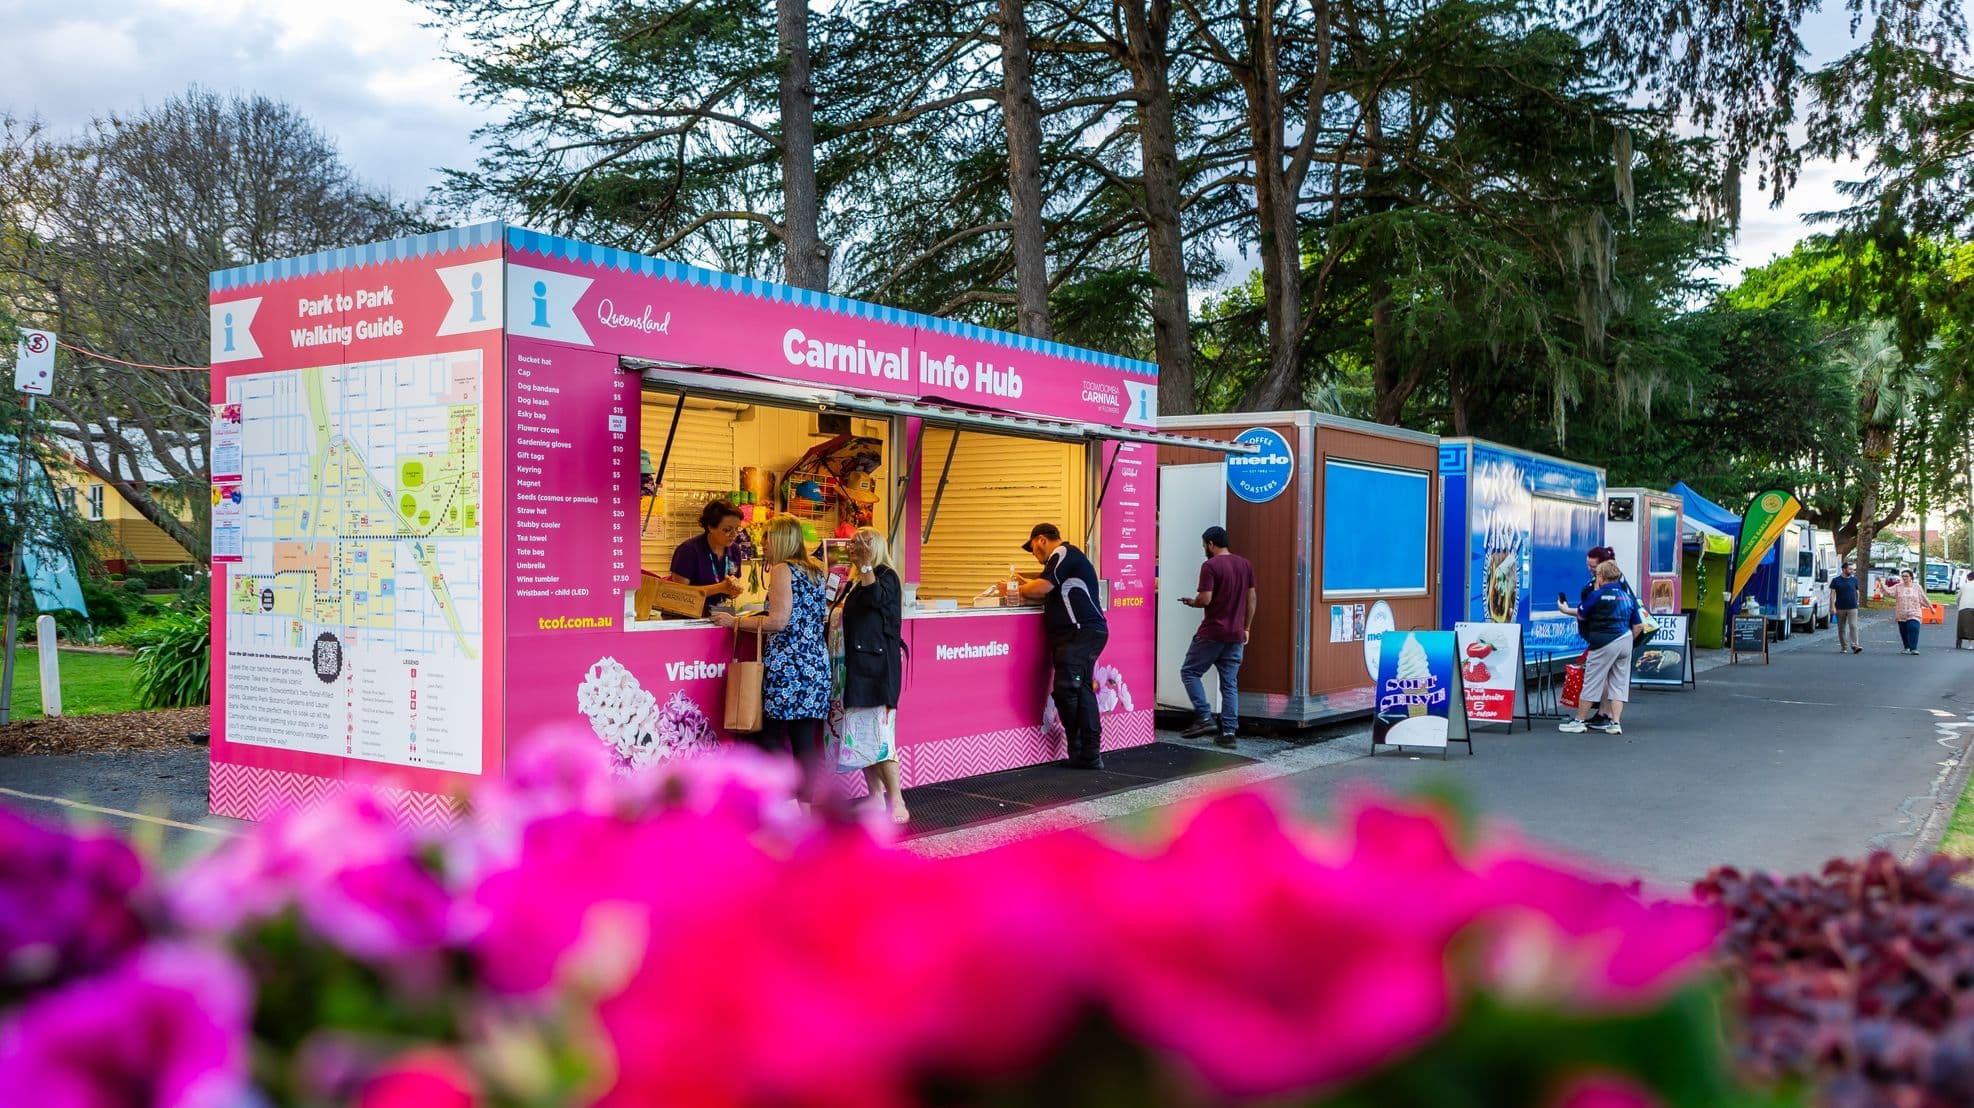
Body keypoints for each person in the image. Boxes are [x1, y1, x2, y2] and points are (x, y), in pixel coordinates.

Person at [710, 515, 830, 801]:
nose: (762, 543)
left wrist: (734, 622)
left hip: (789, 667)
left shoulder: (782, 570)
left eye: (767, 537)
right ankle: (807, 807)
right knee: (803, 741)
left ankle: (782, 800)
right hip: (814, 664)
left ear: (780, 539)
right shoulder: (815, 569)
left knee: (769, 736)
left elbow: (778, 622)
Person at [1015, 522, 1109, 770]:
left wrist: (1016, 589)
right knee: (1080, 690)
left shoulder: (1062, 553)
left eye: (1034, 548)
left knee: (1068, 689)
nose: (1035, 556)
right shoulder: (1063, 560)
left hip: (1080, 634)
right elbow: (1050, 588)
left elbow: (1043, 587)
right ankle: (1088, 753)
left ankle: (1083, 751)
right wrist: (1029, 584)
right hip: (1083, 634)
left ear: (1042, 540)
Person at [833, 526, 908, 822]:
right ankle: (875, 797)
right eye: (851, 544)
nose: (852, 548)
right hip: (857, 668)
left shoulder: (885, 576)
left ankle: (897, 800)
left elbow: (875, 597)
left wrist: (865, 564)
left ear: (873, 548)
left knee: (880, 736)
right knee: (860, 737)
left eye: (859, 544)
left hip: (877, 670)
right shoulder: (854, 579)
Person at [1177, 526, 1256, 747]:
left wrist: (1191, 602)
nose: (1204, 548)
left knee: (1190, 672)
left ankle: (1203, 716)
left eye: (1205, 545)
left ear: (1211, 544)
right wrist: (1246, 628)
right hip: (1236, 635)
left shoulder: (1210, 566)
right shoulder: (1245, 565)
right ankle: (1229, 733)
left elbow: (1205, 599)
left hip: (1212, 632)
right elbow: (1252, 598)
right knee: (1229, 683)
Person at [1559, 560, 1646, 735]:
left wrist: (1564, 609)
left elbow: (1582, 615)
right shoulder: (1627, 597)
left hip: (1603, 642)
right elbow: (1638, 626)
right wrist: (1629, 641)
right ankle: (1615, 723)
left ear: (1601, 576)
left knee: (1592, 682)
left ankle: (1579, 721)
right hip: (1625, 640)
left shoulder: (1596, 595)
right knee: (1619, 684)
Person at [1558, 545, 1623, 728]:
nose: (1589, 569)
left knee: (1595, 677)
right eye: (1588, 565)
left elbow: (1584, 612)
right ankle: (1611, 718)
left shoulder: (1598, 591)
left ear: (1603, 568)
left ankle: (1582, 719)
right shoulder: (1620, 586)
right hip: (1619, 637)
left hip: (1602, 637)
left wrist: (1565, 609)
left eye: (1593, 566)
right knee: (1614, 678)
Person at [669, 500, 747, 610]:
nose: (734, 535)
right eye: (727, 530)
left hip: (719, 613)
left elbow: (730, 591)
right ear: (710, 527)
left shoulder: (734, 550)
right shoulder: (688, 550)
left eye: (737, 529)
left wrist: (734, 591)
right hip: (687, 615)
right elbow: (680, 594)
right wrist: (719, 588)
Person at [1885, 568, 1925, 654]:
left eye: (1906, 576)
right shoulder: (1898, 586)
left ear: (1911, 577)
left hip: (1914, 611)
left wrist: (1930, 607)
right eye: (1902, 576)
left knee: (1913, 627)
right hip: (1901, 612)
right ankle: (1907, 647)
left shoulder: (1917, 587)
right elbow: (1888, 592)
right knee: (1904, 630)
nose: (1904, 578)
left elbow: (1923, 597)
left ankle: (1913, 648)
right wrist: (1880, 583)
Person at [1831, 562, 1863, 654]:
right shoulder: (1836, 580)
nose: (1852, 571)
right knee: (1841, 628)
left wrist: (1857, 602)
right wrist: (1832, 606)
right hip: (1840, 607)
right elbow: (1832, 594)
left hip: (1852, 607)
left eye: (1852, 569)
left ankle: (1855, 645)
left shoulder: (1854, 580)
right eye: (1850, 569)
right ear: (1844, 569)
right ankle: (1844, 646)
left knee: (1853, 625)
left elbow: (1857, 591)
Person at [1957, 570, 1974, 650]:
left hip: (1965, 608)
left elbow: (1958, 597)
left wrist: (1958, 605)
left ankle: (1970, 644)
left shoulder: (1964, 586)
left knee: (1968, 626)